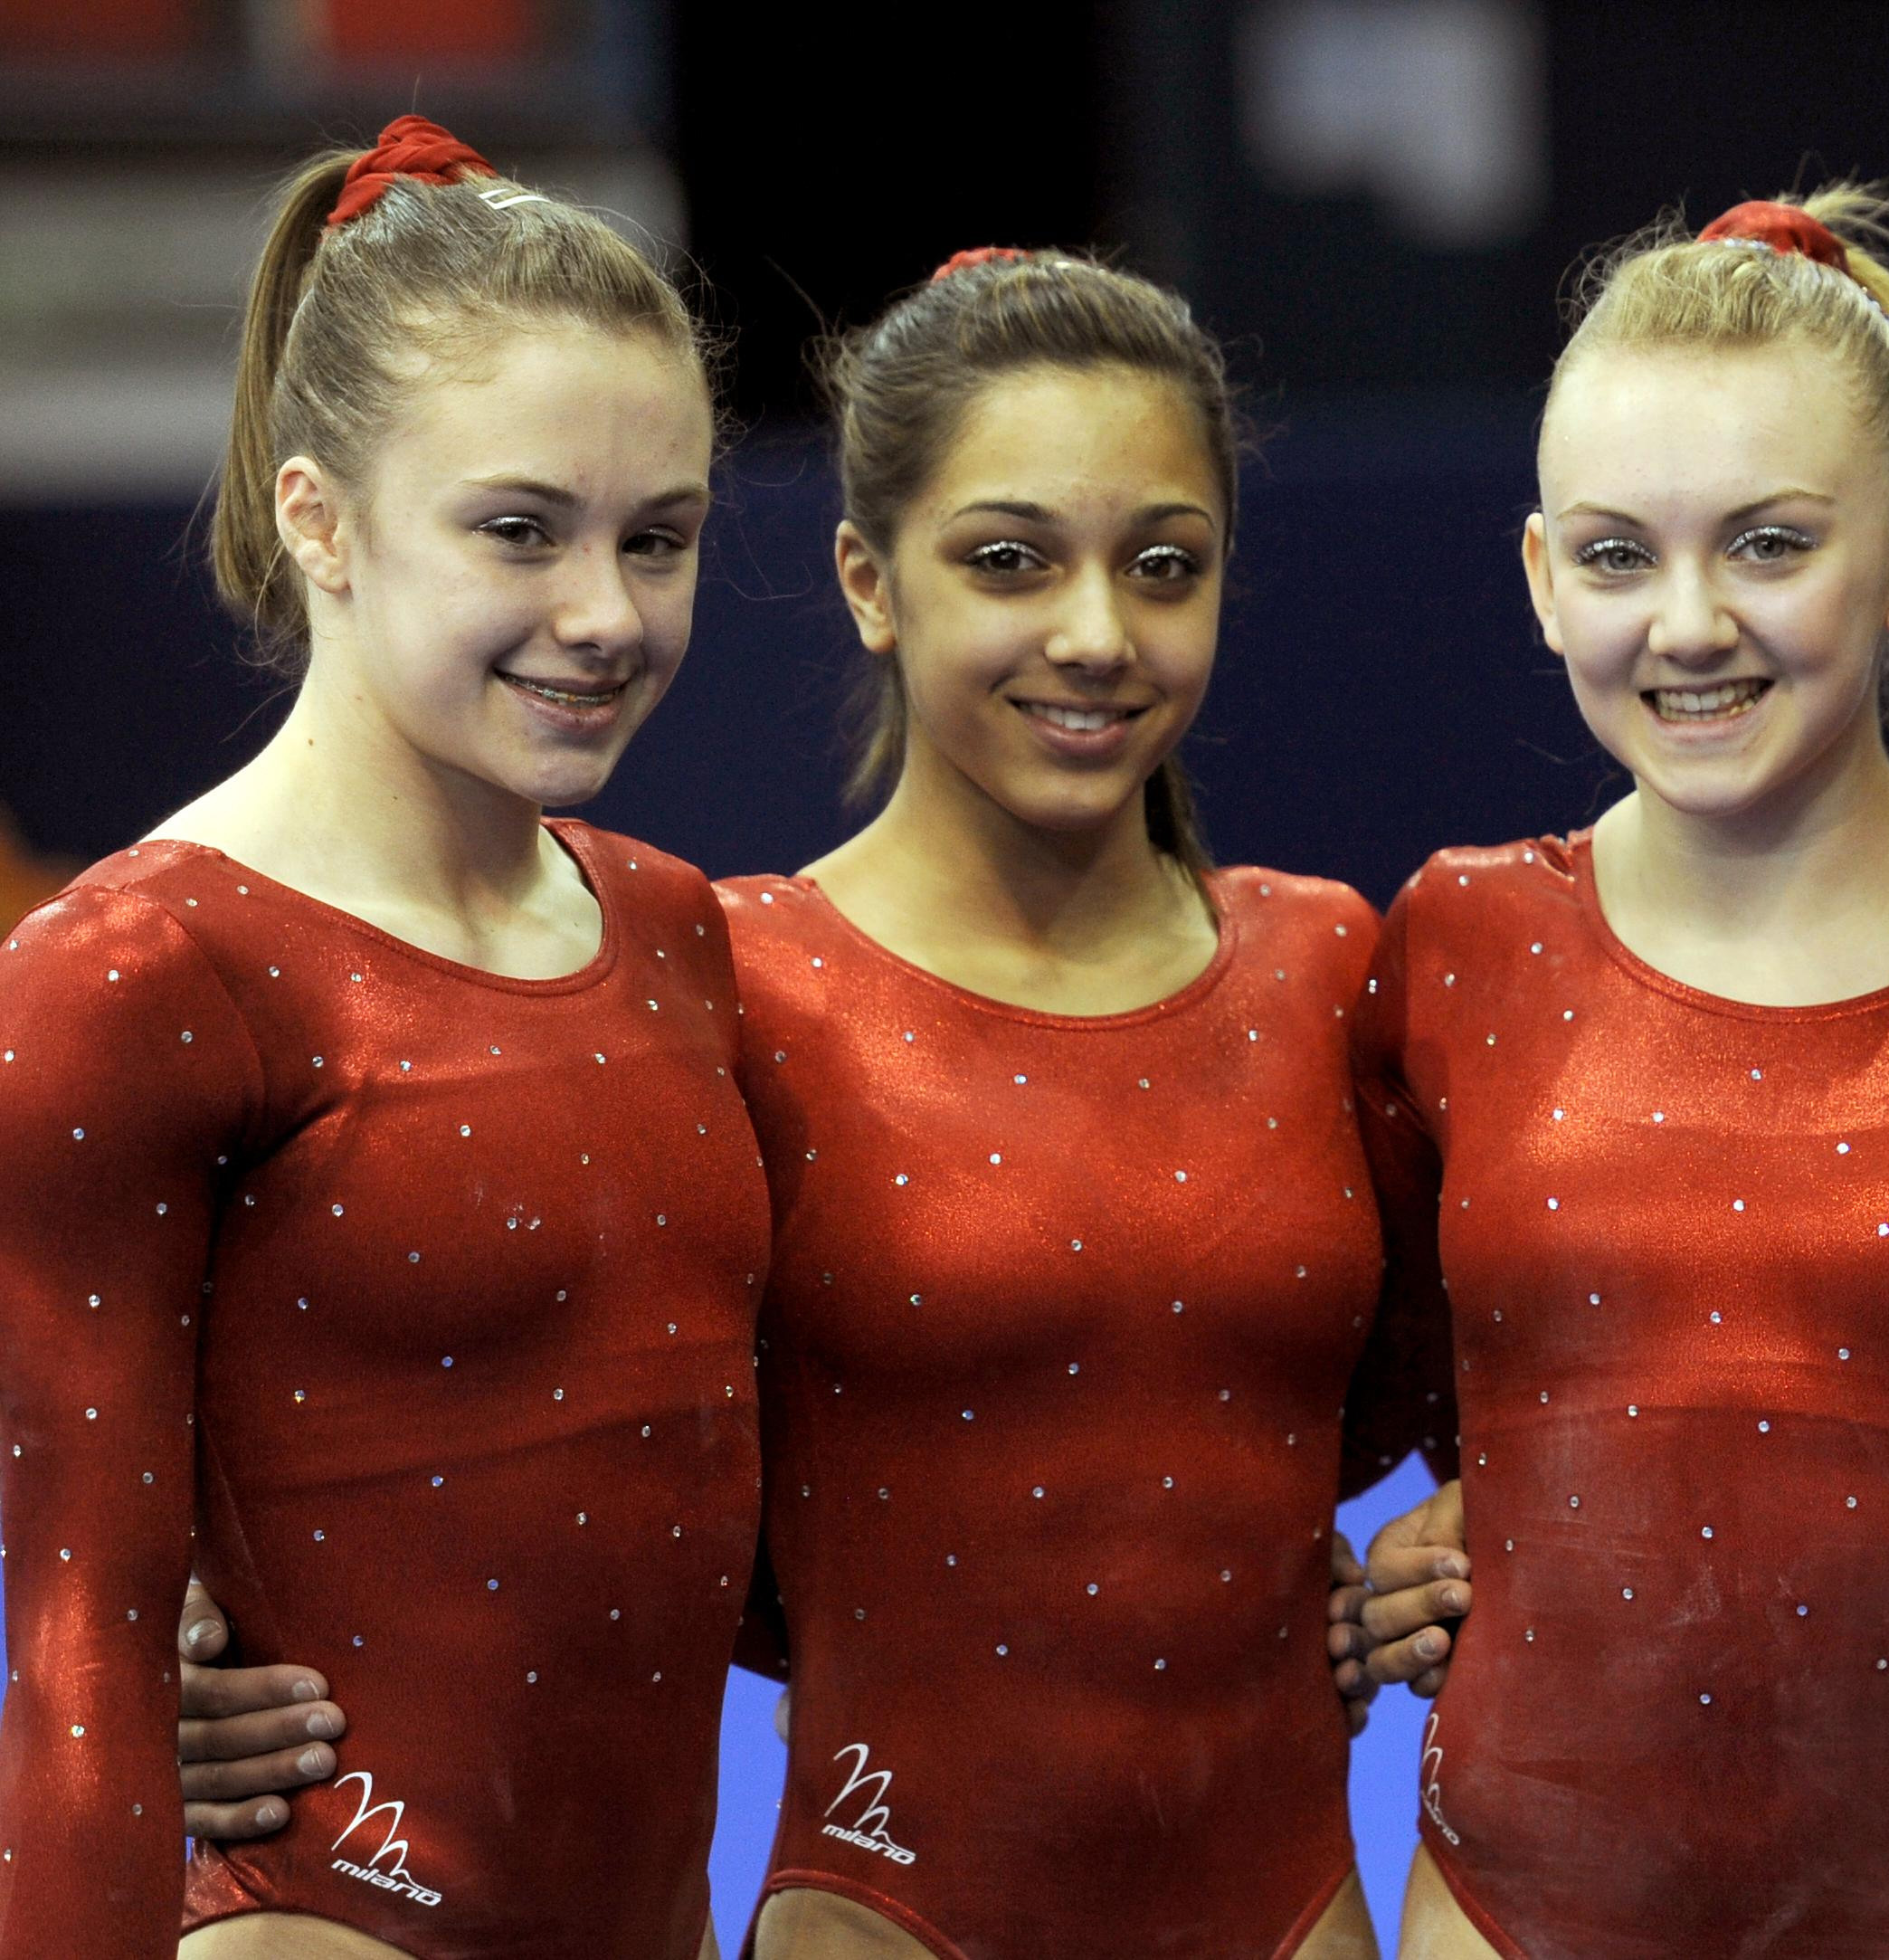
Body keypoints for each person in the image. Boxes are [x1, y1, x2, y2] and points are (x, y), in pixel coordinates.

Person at [172, 245, 1452, 1959]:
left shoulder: (1326, 966)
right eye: (1007, 560)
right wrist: (189, 1612)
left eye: (1165, 565)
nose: (1094, 632)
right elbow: (493, 1401)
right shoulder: (727, 977)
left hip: (1286, 1898)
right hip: (884, 1902)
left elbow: (1513, 1362)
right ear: (866, 576)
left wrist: (1471, 1537)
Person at [1362, 187, 1889, 1960]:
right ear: (1540, 578)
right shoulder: (1457, 941)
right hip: (1516, 1895)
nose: (1686, 624)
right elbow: (1370, 1351)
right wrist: (1481, 1528)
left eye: (1766, 545)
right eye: (1617, 556)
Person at [0, 117, 761, 1957]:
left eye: (655, 540)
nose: (602, 615)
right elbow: (78, 1659)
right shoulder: (137, 972)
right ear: (316, 516)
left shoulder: (672, 929)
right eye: (517, 529)